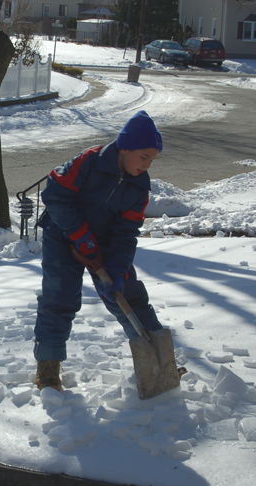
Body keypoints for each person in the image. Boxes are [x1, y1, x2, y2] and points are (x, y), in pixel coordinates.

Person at [33, 110, 164, 391]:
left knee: (128, 295)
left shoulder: (140, 187)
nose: (146, 165)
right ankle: (48, 367)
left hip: (104, 242)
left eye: (152, 160)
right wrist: (81, 235)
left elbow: (127, 232)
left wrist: (117, 266)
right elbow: (54, 194)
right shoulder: (90, 161)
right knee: (59, 297)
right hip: (62, 235)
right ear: (124, 147)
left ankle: (158, 359)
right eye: (143, 157)